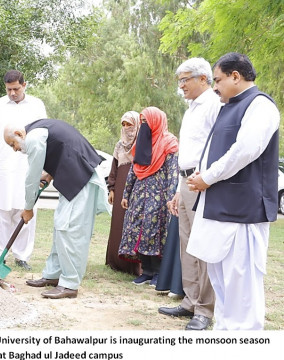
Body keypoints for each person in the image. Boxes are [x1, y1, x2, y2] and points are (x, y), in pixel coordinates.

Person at [186, 53, 280, 330]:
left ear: (236, 77)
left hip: (243, 211)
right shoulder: (228, 106)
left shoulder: (260, 106)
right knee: (222, 280)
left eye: (218, 80)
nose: (214, 87)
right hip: (219, 207)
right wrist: (201, 175)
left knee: (242, 285)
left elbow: (244, 150)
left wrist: (209, 177)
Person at [4, 119, 108, 299]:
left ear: (20, 135)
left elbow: (32, 177)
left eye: (13, 144)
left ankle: (70, 284)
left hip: (81, 179)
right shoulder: (40, 130)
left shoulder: (34, 138)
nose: (15, 149)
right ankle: (53, 275)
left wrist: (28, 208)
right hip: (72, 180)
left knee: (70, 231)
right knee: (60, 227)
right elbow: (62, 149)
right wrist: (50, 174)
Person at [158, 58, 220, 330]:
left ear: (203, 79)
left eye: (185, 79)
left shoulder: (214, 106)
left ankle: (205, 310)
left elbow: (217, 148)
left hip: (202, 181)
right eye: (179, 80)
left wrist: (202, 179)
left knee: (203, 246)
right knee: (187, 244)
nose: (180, 85)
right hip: (185, 182)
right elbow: (187, 152)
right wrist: (178, 190)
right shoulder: (191, 109)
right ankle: (190, 301)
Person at [0, 70, 47, 270]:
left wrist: (44, 167)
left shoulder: (37, 105)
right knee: (0, 210)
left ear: (24, 85)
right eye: (9, 89)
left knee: (25, 208)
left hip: (28, 166)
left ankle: (21, 256)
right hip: (1, 165)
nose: (12, 93)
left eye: (16, 89)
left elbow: (45, 134)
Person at [118, 107, 179, 286]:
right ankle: (146, 271)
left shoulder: (169, 143)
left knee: (156, 231)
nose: (144, 125)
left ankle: (159, 272)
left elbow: (173, 173)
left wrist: (171, 197)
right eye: (142, 122)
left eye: (147, 121)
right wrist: (126, 194)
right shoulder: (143, 141)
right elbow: (134, 169)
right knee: (138, 230)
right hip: (139, 195)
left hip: (159, 196)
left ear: (156, 121)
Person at [105, 111, 142, 276]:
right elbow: (113, 169)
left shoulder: (142, 143)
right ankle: (116, 262)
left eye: (130, 124)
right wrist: (111, 189)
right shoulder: (119, 145)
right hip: (120, 187)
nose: (127, 128)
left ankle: (133, 266)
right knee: (119, 222)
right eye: (124, 124)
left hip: (137, 187)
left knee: (134, 223)